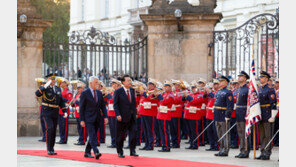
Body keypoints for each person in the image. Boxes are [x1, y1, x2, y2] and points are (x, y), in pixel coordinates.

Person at [35, 73, 68, 155]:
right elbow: (37, 94)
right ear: (48, 80)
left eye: (54, 79)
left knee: (53, 130)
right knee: (50, 128)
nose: (53, 81)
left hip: (55, 111)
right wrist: (45, 85)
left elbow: (60, 101)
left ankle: (52, 148)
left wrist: (64, 111)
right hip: (46, 110)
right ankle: (49, 149)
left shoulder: (57, 89)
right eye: (51, 79)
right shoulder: (44, 88)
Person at [79, 76, 108, 159]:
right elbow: (81, 108)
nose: (97, 84)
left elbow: (103, 106)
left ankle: (87, 152)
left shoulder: (99, 93)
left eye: (98, 83)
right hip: (88, 118)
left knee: (93, 135)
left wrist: (105, 117)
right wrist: (82, 120)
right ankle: (96, 151)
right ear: (91, 83)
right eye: (96, 82)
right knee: (92, 135)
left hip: (97, 118)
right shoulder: (85, 93)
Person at [113, 75, 139, 158]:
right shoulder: (118, 91)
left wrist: (135, 113)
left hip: (132, 116)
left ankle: (132, 150)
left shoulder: (132, 90)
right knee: (120, 136)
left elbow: (133, 103)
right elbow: (115, 105)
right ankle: (120, 151)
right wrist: (118, 114)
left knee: (133, 134)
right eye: (128, 80)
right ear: (123, 82)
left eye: (130, 80)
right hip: (122, 117)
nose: (130, 82)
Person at [256, 71, 277, 160]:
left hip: (268, 114)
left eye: (262, 77)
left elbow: (273, 103)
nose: (260, 79)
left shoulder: (270, 89)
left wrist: (273, 116)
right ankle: (262, 151)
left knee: (268, 135)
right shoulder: (260, 89)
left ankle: (267, 153)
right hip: (261, 114)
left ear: (266, 79)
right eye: (260, 77)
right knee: (262, 135)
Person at [214, 76, 234, 157]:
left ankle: (225, 150)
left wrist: (228, 115)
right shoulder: (219, 91)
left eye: (222, 81)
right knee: (219, 133)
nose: (220, 83)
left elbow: (230, 105)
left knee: (225, 133)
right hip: (217, 114)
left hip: (223, 114)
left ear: (226, 82)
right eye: (220, 81)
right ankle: (221, 148)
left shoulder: (228, 92)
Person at [139, 79, 160, 150]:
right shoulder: (147, 91)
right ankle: (147, 143)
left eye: (151, 84)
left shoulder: (156, 92)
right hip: (143, 112)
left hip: (150, 112)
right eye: (149, 84)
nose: (149, 86)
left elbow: (151, 98)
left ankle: (151, 145)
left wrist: (144, 94)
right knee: (145, 129)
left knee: (150, 129)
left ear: (154, 85)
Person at [155, 81, 175, 152]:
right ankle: (164, 145)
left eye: (167, 86)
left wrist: (159, 96)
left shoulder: (170, 95)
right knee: (162, 131)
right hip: (161, 113)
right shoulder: (165, 94)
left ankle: (166, 146)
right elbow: (160, 102)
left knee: (165, 131)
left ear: (170, 87)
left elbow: (164, 102)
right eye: (165, 86)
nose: (165, 88)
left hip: (165, 114)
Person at [235, 71, 250, 158]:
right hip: (238, 113)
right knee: (240, 133)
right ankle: (241, 150)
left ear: (245, 78)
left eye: (241, 76)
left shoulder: (247, 89)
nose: (239, 77)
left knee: (245, 134)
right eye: (239, 76)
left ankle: (245, 151)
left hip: (244, 113)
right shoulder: (239, 89)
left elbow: (249, 103)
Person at [105, 78, 122, 148]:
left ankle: (116, 143)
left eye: (114, 84)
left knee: (116, 129)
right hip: (110, 112)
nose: (113, 86)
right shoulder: (112, 92)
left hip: (115, 113)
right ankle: (113, 142)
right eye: (112, 84)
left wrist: (108, 95)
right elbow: (107, 101)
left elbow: (114, 100)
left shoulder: (118, 92)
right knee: (112, 129)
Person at [56, 78, 72, 144]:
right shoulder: (61, 91)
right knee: (60, 126)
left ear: (65, 84)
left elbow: (69, 101)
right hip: (60, 110)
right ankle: (61, 138)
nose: (61, 84)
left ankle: (64, 139)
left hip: (64, 111)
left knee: (64, 126)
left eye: (62, 82)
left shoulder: (68, 92)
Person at [205, 80, 219, 151]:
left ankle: (216, 145)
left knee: (215, 131)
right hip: (209, 114)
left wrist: (209, 92)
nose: (215, 85)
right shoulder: (212, 93)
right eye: (214, 84)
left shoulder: (218, 92)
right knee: (209, 131)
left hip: (214, 114)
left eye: (216, 84)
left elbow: (215, 97)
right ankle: (212, 145)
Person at [230, 79, 239, 149]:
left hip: (237, 113)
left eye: (235, 84)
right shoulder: (232, 91)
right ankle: (232, 142)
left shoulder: (239, 91)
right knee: (232, 130)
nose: (234, 85)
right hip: (231, 112)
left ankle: (236, 143)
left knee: (236, 130)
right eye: (233, 84)